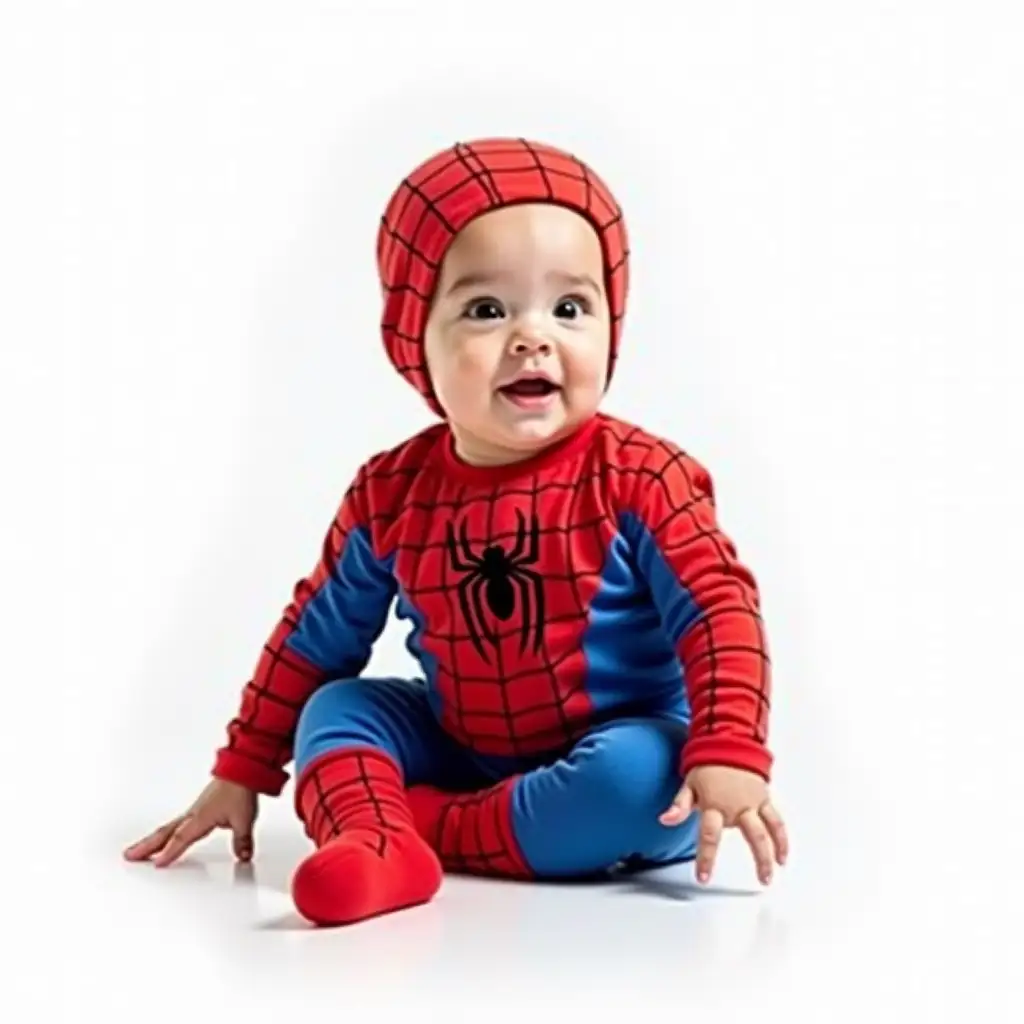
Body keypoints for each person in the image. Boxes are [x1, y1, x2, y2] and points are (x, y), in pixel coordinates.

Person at [124, 137, 789, 927]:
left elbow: (719, 611)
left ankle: (426, 827)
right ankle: (377, 838)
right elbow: (316, 636)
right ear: (414, 341)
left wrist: (727, 751)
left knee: (641, 780)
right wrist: (245, 766)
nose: (533, 336)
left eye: (570, 308)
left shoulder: (643, 477)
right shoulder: (391, 492)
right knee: (337, 708)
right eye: (486, 309)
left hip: (613, 742)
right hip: (459, 736)